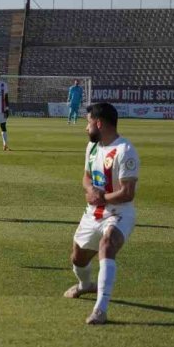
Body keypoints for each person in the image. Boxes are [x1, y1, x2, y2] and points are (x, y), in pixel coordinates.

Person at [63, 103, 140, 325]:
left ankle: (100, 309)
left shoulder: (125, 151)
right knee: (77, 257)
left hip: (119, 213)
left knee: (107, 245)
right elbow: (86, 178)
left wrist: (102, 198)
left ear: (99, 123)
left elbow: (128, 193)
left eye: (88, 123)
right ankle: (85, 285)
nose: (86, 128)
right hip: (92, 213)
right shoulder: (93, 147)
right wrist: (90, 191)